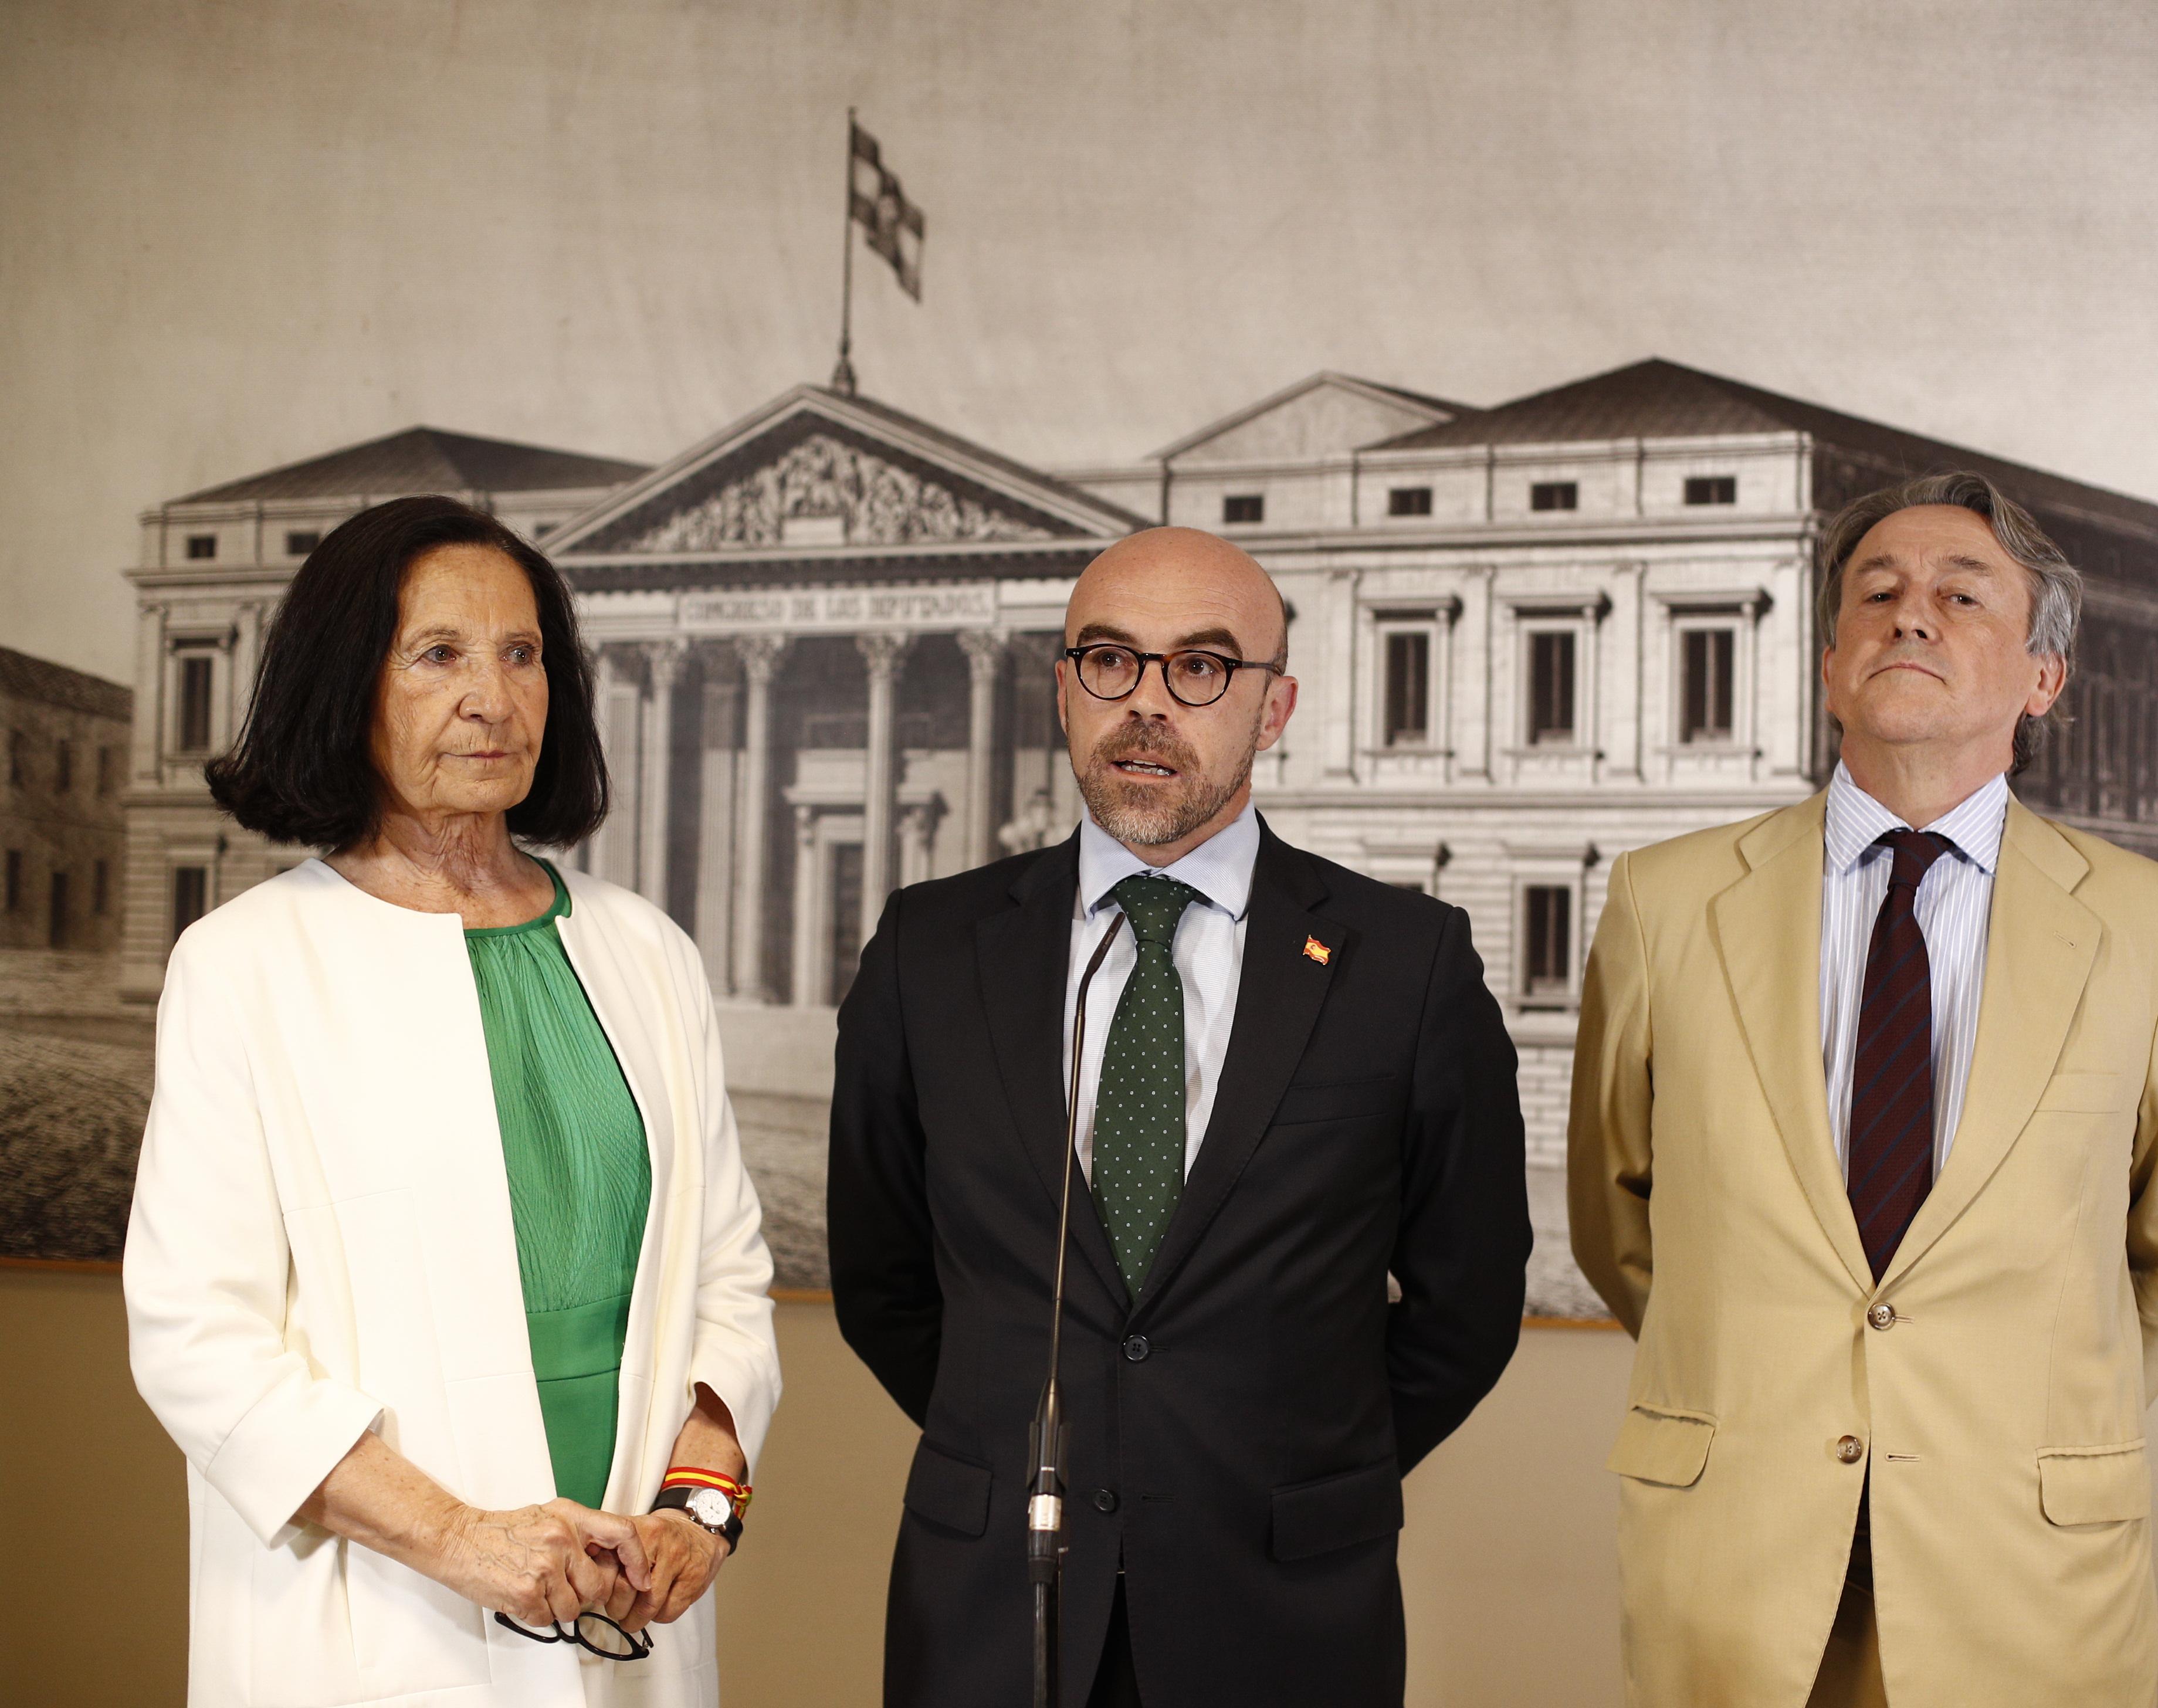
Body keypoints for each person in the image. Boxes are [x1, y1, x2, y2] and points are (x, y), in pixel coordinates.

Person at [1568, 473, 2158, 1707]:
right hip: (1734, 1568)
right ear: (1831, 666)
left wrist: (1999, 1404)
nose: (1912, 615)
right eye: (1877, 594)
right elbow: (1618, 1215)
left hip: (2026, 1576)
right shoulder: (1661, 905)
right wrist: (1764, 1375)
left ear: (2045, 678)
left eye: (1961, 593)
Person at [829, 526, 1530, 1707]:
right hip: (998, 1611)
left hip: (1283, 1611)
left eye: (1201, 667)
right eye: (1110, 660)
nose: (1148, 703)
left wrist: (1297, 1465)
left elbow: (1467, 1305)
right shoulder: (930, 948)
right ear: (1063, 688)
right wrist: (1022, 1436)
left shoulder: (1406, 966)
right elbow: (882, 1276)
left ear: (1274, 707)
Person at [124, 496, 783, 1707]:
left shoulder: (648, 952)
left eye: (523, 654)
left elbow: (727, 1283)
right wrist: (462, 1539)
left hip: (628, 1613)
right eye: (440, 655)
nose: (495, 695)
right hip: (371, 1625)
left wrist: (701, 1509)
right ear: (347, 687)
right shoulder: (247, 965)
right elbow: (196, 1340)